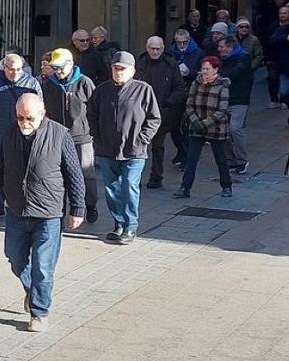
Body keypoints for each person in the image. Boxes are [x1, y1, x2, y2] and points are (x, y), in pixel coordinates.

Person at [1, 95, 85, 333]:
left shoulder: (60, 135)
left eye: (29, 118)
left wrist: (77, 208)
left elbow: (74, 174)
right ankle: (32, 289)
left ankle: (39, 312)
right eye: (19, 117)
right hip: (17, 209)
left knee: (43, 266)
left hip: (48, 213)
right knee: (15, 259)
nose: (24, 122)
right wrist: (1, 195)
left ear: (42, 114)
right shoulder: (9, 133)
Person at [88, 52, 160, 246]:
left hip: (134, 151)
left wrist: (142, 139)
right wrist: (98, 136)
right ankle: (118, 223)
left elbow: (154, 118)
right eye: (115, 68)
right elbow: (91, 114)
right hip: (107, 149)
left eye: (122, 69)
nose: (118, 72)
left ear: (132, 71)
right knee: (112, 189)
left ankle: (130, 226)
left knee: (129, 186)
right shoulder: (102, 90)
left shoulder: (143, 90)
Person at [0, 53, 42, 221]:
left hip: (24, 136)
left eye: (19, 69)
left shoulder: (32, 83)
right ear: (4, 67)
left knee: (21, 170)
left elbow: (40, 108)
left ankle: (22, 203)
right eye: (11, 69)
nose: (15, 73)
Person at [41, 48, 98, 223]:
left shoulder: (84, 83)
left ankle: (90, 206)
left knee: (85, 174)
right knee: (59, 175)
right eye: (54, 68)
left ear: (71, 64)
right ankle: (61, 209)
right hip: (58, 137)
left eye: (60, 68)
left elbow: (95, 110)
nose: (57, 72)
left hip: (82, 137)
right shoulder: (49, 84)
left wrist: (92, 131)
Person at [174, 57, 233, 200]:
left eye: (208, 69)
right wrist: (195, 121)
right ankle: (185, 187)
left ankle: (226, 186)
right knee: (191, 159)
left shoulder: (222, 86)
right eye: (203, 68)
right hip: (197, 127)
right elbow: (189, 104)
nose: (204, 72)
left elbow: (222, 110)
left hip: (216, 128)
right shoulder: (196, 83)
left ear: (215, 70)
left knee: (221, 159)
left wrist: (205, 122)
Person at [135, 36, 186, 190]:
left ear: (163, 49)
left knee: (158, 147)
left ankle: (156, 177)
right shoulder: (140, 64)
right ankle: (135, 177)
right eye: (152, 48)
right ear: (147, 47)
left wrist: (169, 103)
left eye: (158, 49)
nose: (155, 51)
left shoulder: (170, 65)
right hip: (140, 113)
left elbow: (179, 88)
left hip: (161, 113)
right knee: (138, 147)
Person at [218, 36, 253, 177]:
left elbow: (234, 73)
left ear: (229, 47)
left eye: (221, 46)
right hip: (225, 99)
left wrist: (218, 76)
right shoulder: (223, 59)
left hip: (239, 99)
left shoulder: (243, 58)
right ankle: (231, 160)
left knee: (234, 129)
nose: (219, 49)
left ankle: (242, 160)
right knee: (223, 129)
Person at [266, 5, 289, 108]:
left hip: (286, 59)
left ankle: (284, 100)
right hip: (274, 58)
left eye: (285, 13)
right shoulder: (273, 26)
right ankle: (274, 100)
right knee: (272, 79)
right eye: (281, 13)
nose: (282, 15)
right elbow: (270, 41)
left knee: (285, 81)